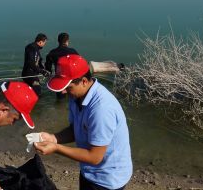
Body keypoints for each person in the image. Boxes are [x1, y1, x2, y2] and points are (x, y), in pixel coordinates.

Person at [34, 54, 132, 190]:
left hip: (108, 179)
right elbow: (76, 129)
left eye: (68, 87)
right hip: (89, 171)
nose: (63, 92)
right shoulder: (76, 96)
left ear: (84, 81)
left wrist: (55, 148)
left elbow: (94, 157)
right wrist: (53, 138)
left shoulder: (101, 109)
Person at [45, 32, 79, 99]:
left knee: (60, 99)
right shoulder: (72, 51)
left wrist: (49, 74)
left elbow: (48, 68)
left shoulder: (52, 53)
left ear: (58, 41)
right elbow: (79, 64)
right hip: (71, 79)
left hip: (59, 79)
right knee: (72, 99)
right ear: (67, 41)